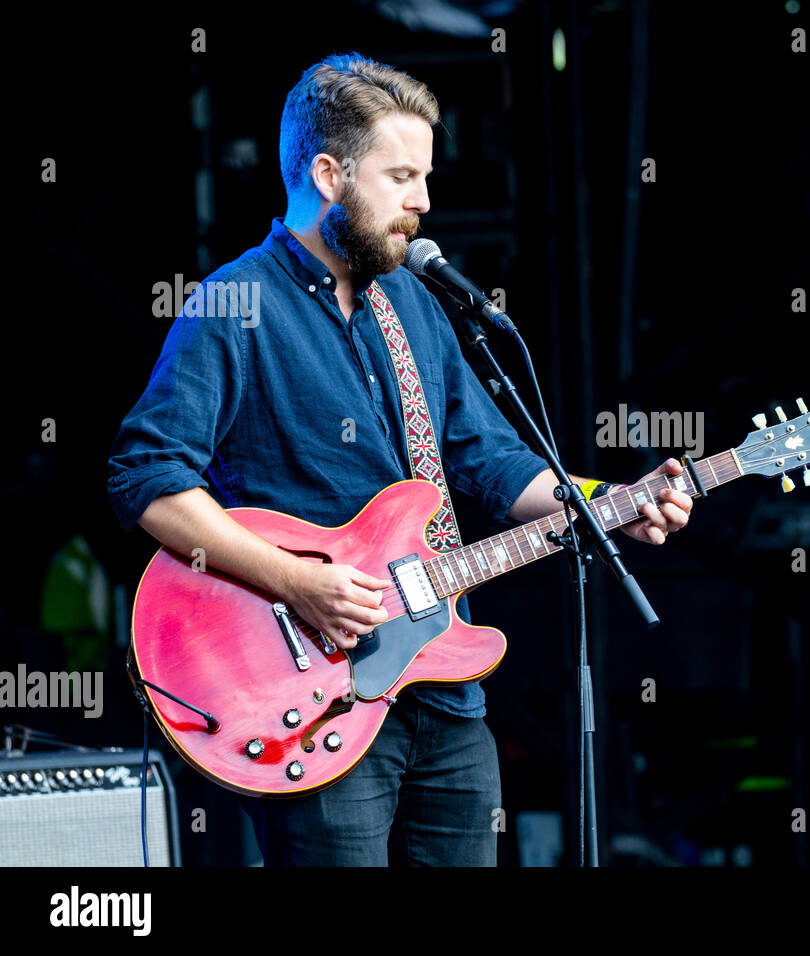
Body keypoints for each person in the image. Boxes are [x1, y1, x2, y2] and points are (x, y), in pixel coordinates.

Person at [106, 52, 692, 866]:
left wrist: (609, 498)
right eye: (402, 176)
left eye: (424, 177)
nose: (423, 202)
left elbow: (491, 462)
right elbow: (147, 479)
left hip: (445, 693)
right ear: (328, 174)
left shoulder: (414, 302)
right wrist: (298, 581)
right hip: (314, 699)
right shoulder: (231, 305)